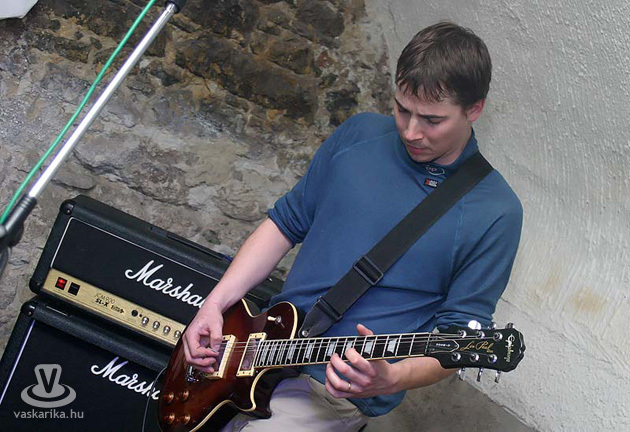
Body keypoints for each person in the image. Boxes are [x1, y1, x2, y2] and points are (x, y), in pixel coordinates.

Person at [183, 21, 523, 431]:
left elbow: (458, 336)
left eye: (432, 120)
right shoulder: (359, 133)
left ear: (474, 109)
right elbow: (285, 223)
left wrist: (392, 377)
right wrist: (215, 303)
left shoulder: (496, 211)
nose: (411, 131)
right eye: (402, 109)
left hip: (332, 393)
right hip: (257, 352)